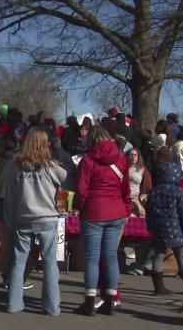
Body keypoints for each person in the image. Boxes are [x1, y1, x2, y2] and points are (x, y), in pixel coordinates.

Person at [4, 127, 66, 316]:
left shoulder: (15, 165)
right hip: (47, 218)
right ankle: (52, 306)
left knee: (18, 262)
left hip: (23, 218)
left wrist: (9, 220)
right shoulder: (51, 166)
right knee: (49, 264)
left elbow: (9, 195)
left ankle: (14, 304)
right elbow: (65, 179)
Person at [75, 126, 131, 316]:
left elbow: (82, 190)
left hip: (94, 212)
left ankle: (90, 301)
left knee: (92, 258)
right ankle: (111, 300)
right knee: (111, 257)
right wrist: (126, 209)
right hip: (116, 211)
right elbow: (126, 190)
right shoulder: (122, 160)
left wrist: (80, 207)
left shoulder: (88, 160)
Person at [147, 162, 183, 295]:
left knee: (159, 255)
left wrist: (150, 226)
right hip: (175, 228)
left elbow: (149, 211)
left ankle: (158, 287)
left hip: (159, 227)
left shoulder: (155, 191)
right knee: (181, 255)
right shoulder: (179, 192)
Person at [126, 148, 152, 217]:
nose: (133, 157)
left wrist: (143, 198)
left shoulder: (143, 170)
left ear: (138, 157)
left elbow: (147, 188)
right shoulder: (123, 168)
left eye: (135, 155)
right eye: (131, 155)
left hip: (136, 200)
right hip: (124, 199)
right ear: (127, 156)